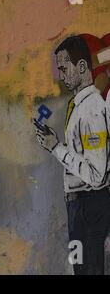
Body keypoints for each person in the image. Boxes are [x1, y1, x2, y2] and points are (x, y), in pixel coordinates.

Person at [34, 35, 110, 275]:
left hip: (89, 204)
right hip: (80, 205)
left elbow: (97, 175)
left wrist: (56, 147)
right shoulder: (78, 106)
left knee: (89, 270)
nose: (62, 75)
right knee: (82, 269)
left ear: (82, 67)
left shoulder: (91, 111)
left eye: (64, 68)